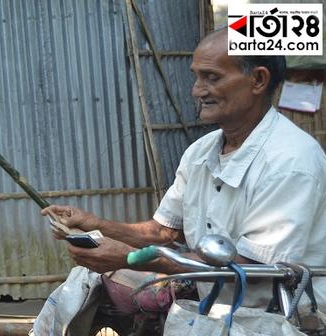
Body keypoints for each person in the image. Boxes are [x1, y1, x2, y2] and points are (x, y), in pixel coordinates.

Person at [43, 28, 326, 308]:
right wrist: (95, 224)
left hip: (285, 324)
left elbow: (251, 269)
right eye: (197, 77)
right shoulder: (201, 152)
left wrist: (129, 257)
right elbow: (163, 232)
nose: (197, 90)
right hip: (219, 312)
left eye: (211, 77)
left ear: (258, 80)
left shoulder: (290, 161)